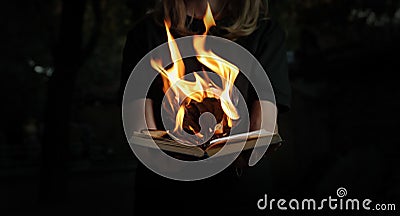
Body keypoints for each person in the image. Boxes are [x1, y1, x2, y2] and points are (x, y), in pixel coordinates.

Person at [120, 0, 291, 215]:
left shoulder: (265, 32)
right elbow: (141, 127)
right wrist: (168, 157)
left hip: (241, 195)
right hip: (166, 197)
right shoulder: (147, 33)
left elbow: (264, 121)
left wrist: (250, 148)